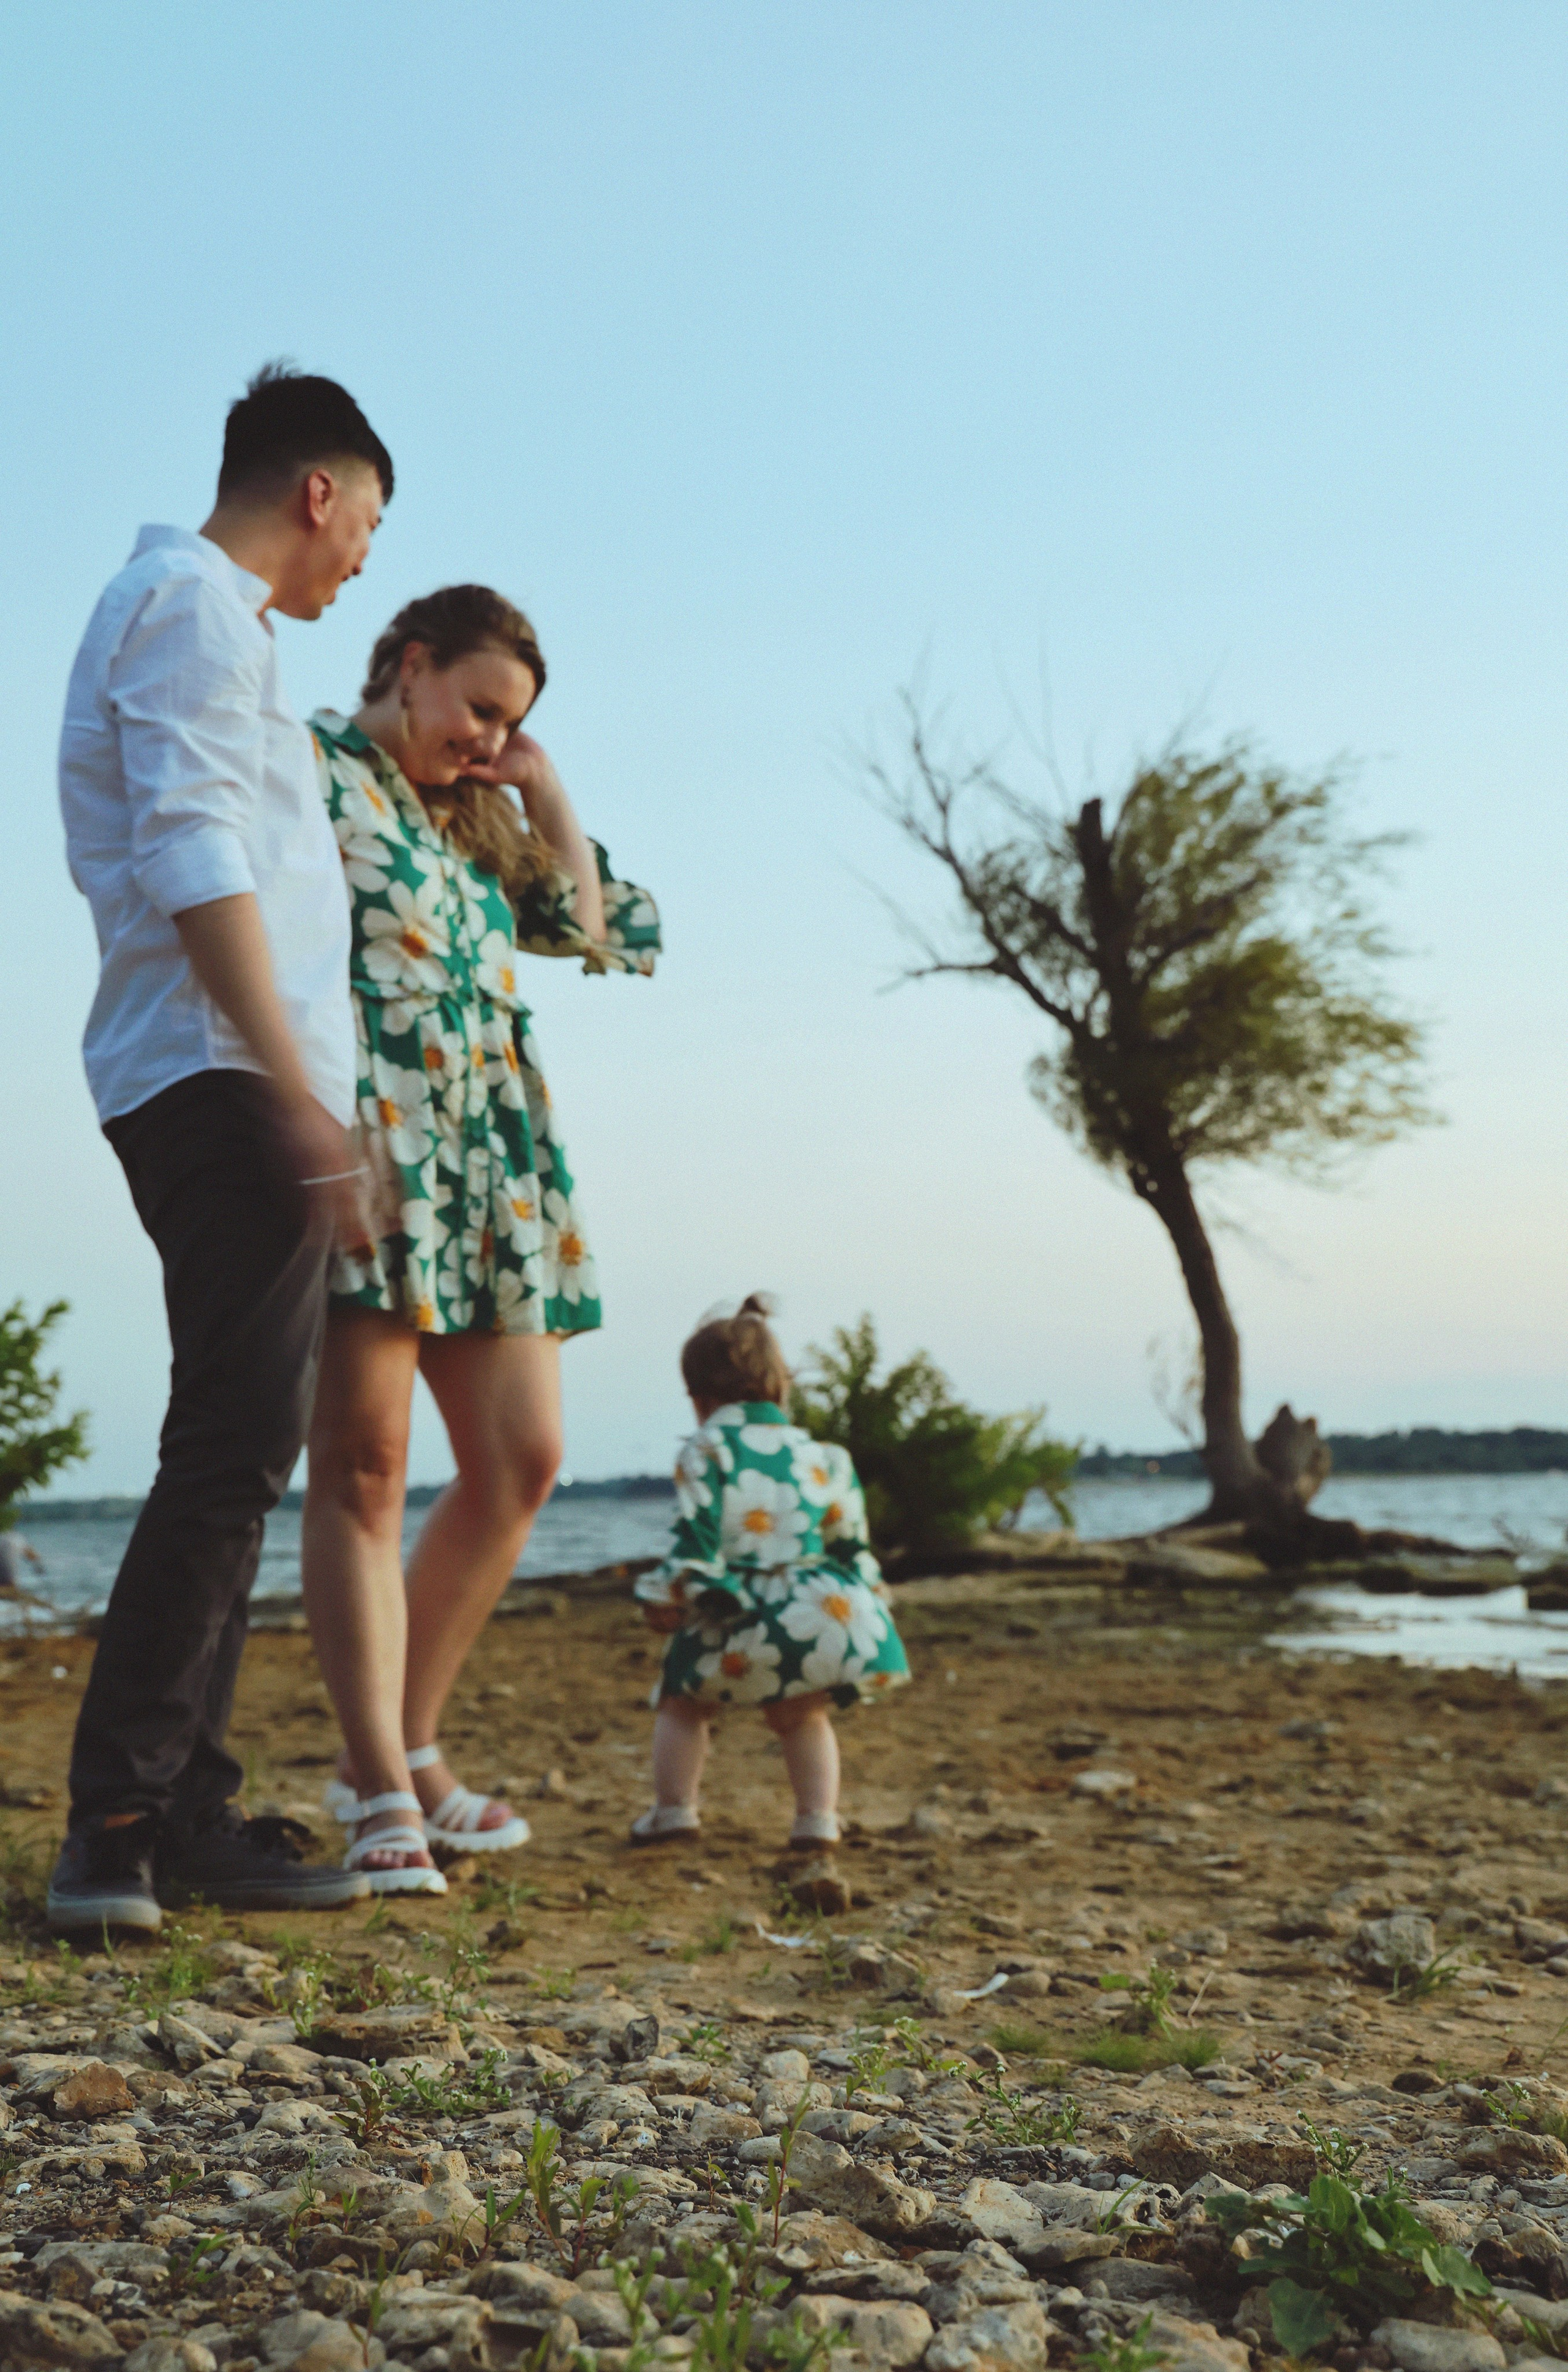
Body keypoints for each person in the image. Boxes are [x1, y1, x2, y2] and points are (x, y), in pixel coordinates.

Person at [51, 365, 394, 1933]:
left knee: (246, 1444)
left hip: (216, 1072)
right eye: (368, 521)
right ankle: (121, 1827)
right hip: (211, 1073)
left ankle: (172, 1804)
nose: (364, 559)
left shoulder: (208, 618)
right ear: (317, 491)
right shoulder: (189, 603)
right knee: (232, 1447)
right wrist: (290, 1090)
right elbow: (193, 852)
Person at [299, 586, 658, 1891]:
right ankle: (383, 1784)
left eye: (507, 722)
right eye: (477, 707)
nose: (483, 737)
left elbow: (610, 930)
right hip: (371, 1153)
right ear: (407, 662)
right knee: (365, 1464)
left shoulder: (476, 823)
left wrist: (542, 789)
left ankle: (397, 1741)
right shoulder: (308, 772)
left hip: (497, 1172)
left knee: (522, 1458)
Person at [631, 1296, 911, 1846]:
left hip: (732, 1609)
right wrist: (874, 1598)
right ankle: (817, 1821)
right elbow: (850, 1544)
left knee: (683, 1703)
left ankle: (674, 1812)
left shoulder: (706, 1449)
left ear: (699, 1398)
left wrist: (664, 1596)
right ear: (782, 1386)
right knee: (802, 1715)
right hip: (813, 1610)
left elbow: (698, 1539)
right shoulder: (825, 1458)